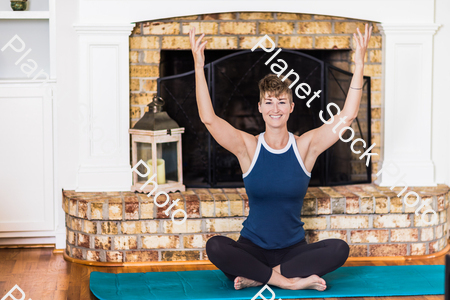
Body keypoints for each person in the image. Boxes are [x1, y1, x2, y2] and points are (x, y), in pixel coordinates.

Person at [188, 24, 372, 292]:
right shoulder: (248, 147)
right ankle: (288, 282)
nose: (276, 108)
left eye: (282, 101)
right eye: (269, 102)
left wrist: (359, 64)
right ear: (260, 108)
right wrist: (198, 65)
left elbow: (347, 116)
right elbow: (209, 119)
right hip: (251, 249)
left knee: (339, 248)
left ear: (291, 107)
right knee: (215, 246)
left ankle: (259, 277)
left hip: (293, 252)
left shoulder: (305, 147)